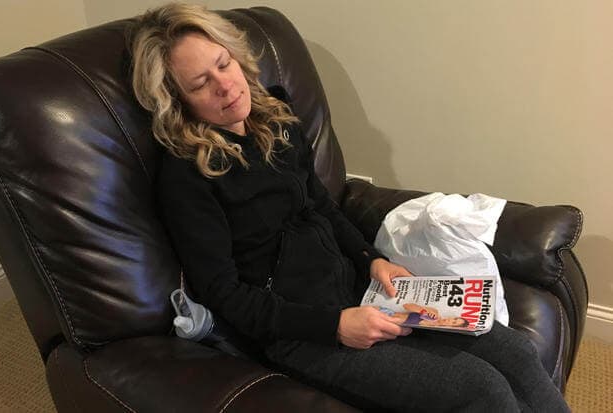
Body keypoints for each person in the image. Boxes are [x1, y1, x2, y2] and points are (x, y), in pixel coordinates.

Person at [128, 3, 571, 412]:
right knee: (481, 388)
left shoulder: (274, 117)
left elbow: (320, 205)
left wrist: (373, 259)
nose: (225, 85)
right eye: (201, 84)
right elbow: (223, 293)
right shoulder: (188, 175)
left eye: (223, 64)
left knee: (512, 350)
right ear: (178, 102)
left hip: (364, 290)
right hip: (303, 335)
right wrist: (334, 326)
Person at [381, 304, 470, 328]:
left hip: (386, 326)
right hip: (387, 313)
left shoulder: (434, 332)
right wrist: (423, 311)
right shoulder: (434, 313)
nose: (450, 320)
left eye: (454, 322)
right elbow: (406, 306)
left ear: (452, 327)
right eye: (454, 318)